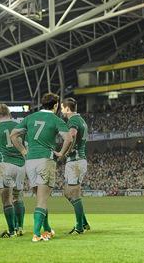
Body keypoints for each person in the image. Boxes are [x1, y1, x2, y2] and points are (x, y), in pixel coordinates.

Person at [10, 93, 72, 242]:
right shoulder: (56, 119)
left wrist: (24, 151)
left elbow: (13, 135)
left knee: (40, 197)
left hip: (30, 161)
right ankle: (36, 234)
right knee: (42, 200)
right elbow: (69, 138)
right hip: (45, 159)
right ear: (56, 105)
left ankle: (47, 228)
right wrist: (62, 153)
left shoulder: (30, 118)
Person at [0, 104, 26, 238]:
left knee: (6, 200)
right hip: (21, 165)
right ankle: (20, 227)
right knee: (18, 197)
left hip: (5, 165)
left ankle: (11, 230)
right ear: (9, 114)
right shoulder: (19, 126)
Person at [60, 97, 90, 234]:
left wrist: (67, 151)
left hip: (75, 161)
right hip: (77, 161)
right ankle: (83, 221)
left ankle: (79, 227)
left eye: (62, 108)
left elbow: (71, 135)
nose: (61, 111)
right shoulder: (81, 120)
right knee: (67, 193)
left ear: (67, 108)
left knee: (74, 194)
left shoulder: (73, 120)